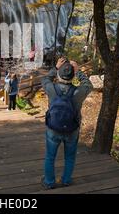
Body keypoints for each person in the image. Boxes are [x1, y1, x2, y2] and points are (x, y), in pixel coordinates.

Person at [41, 57, 93, 189]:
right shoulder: (79, 92)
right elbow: (88, 84)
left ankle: (49, 182)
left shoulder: (51, 88)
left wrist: (56, 67)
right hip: (72, 129)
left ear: (59, 74)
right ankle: (66, 180)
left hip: (53, 128)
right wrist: (79, 71)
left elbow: (45, 79)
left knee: (50, 157)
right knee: (70, 157)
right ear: (73, 76)